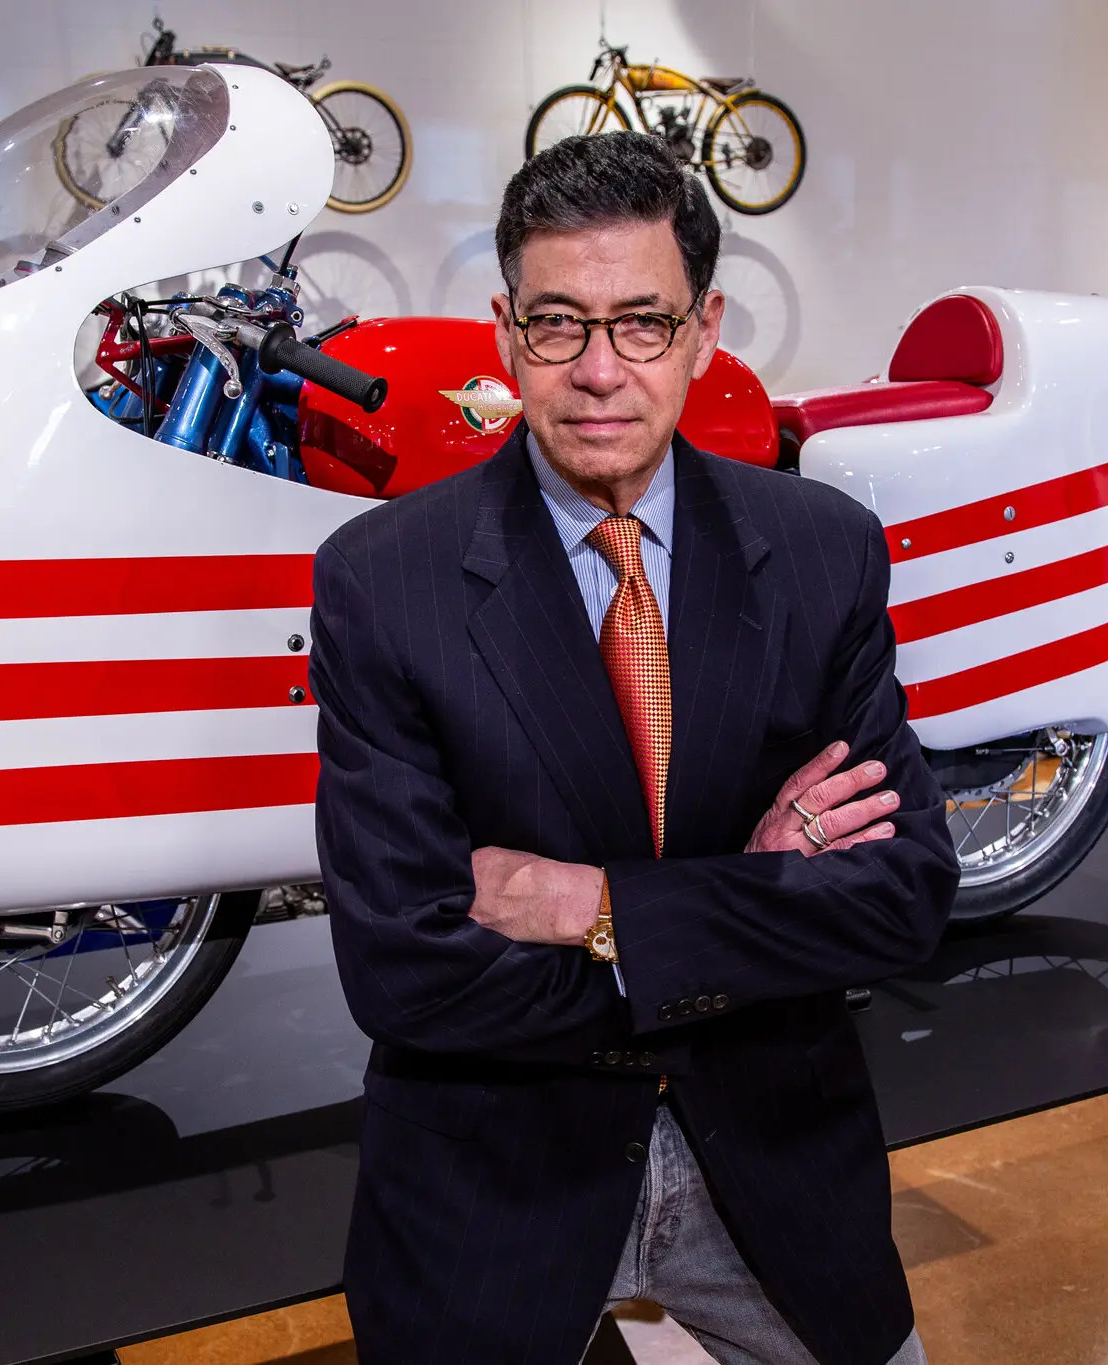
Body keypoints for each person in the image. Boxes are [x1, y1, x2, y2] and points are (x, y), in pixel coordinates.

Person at [309, 132, 960, 1365]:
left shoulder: (822, 551)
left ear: (704, 329)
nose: (599, 371)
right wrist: (758, 893)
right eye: (558, 324)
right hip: (494, 1175)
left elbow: (899, 898)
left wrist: (584, 904)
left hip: (771, 1156)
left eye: (642, 324)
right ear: (505, 332)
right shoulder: (381, 582)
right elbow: (404, 968)